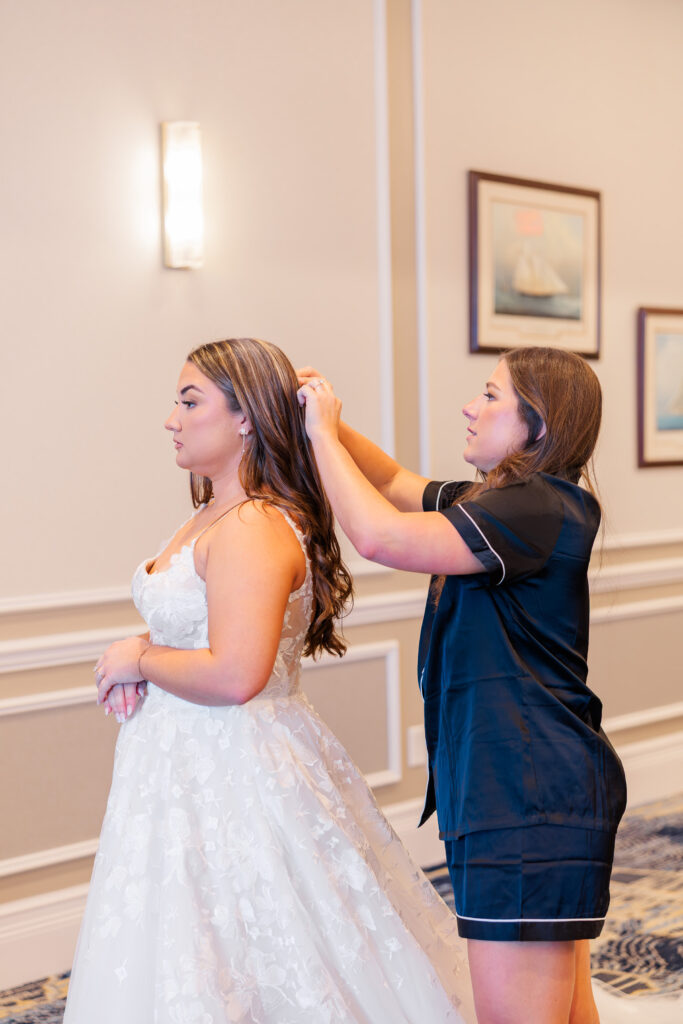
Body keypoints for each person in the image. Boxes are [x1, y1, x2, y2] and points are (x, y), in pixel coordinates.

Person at [63, 338, 477, 1024]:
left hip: (237, 764)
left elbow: (235, 675)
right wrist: (146, 648)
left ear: (246, 417)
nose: (172, 418)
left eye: (189, 401)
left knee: (268, 945)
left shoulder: (253, 524)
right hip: (180, 766)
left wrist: (140, 660)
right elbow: (199, 634)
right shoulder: (210, 512)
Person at [298, 347, 628, 1024]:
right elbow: (389, 481)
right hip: (524, 781)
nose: (468, 408)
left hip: (527, 790)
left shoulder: (534, 508)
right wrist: (317, 408)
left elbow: (381, 536)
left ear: (536, 425)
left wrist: (319, 436)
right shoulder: (503, 500)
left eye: (488, 395)